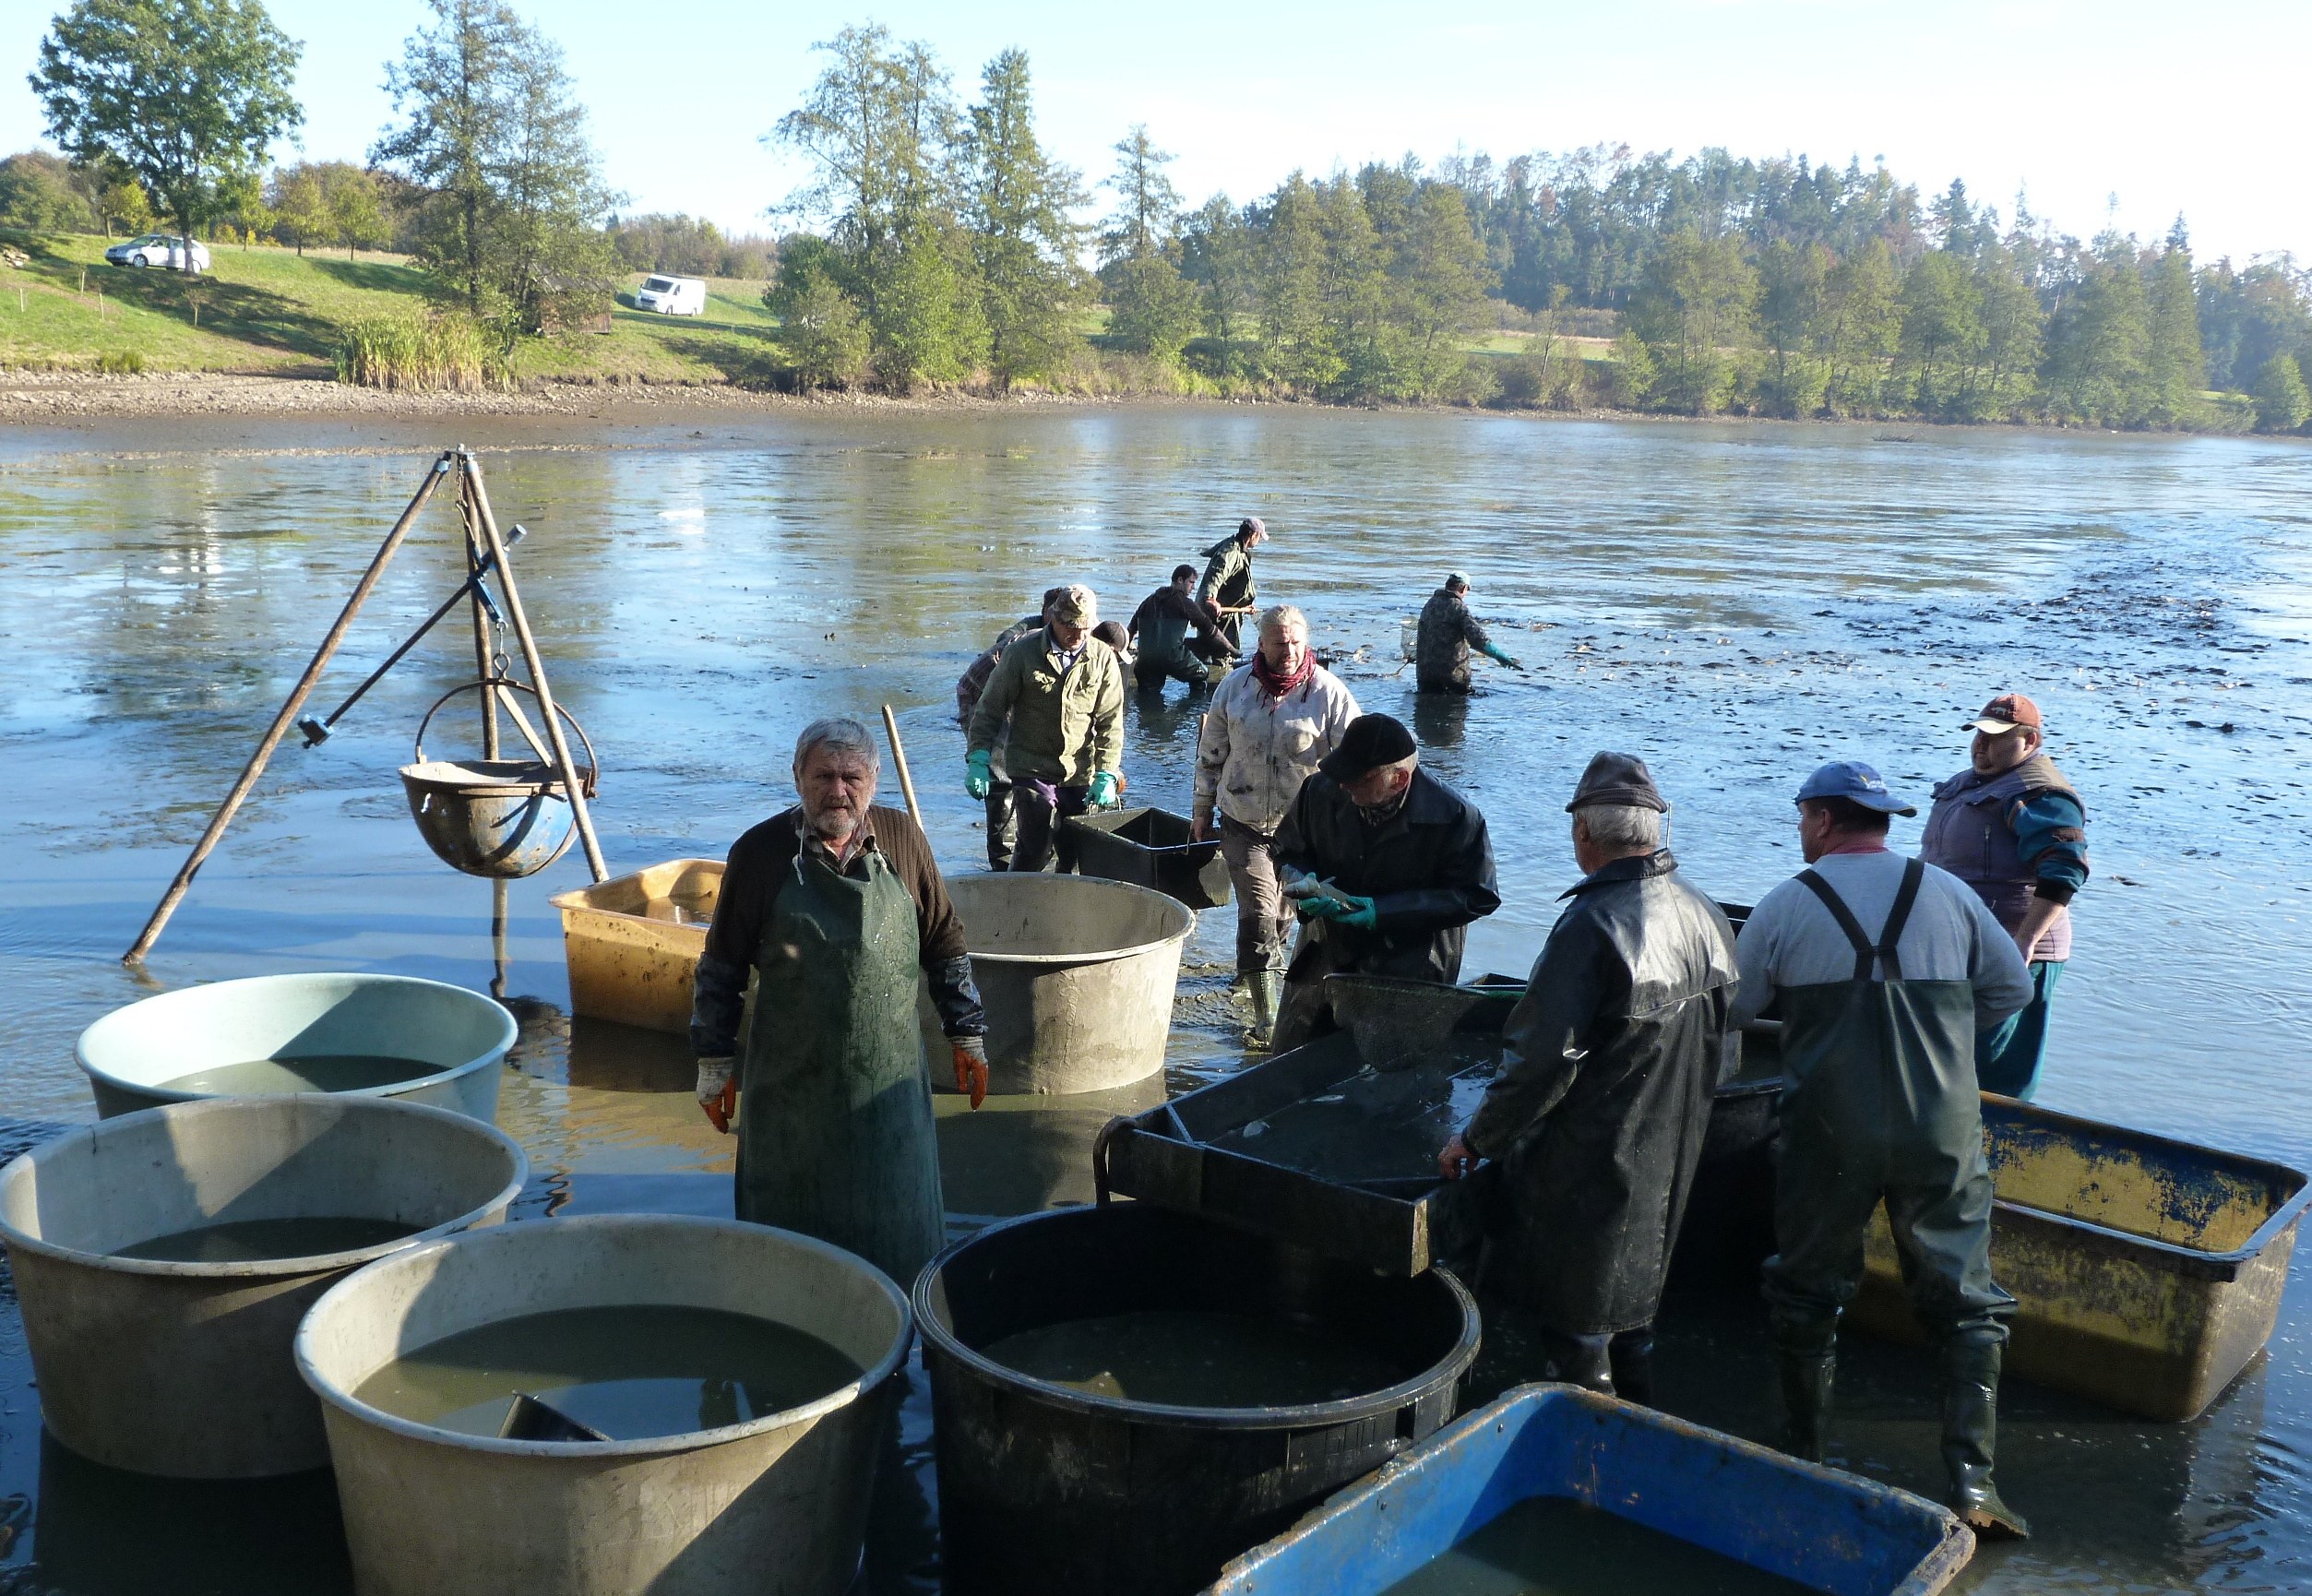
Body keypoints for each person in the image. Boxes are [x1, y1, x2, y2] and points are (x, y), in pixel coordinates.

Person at [1730, 759, 2034, 1540]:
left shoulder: (1788, 902)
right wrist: (1944, 1035)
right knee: (1967, 1304)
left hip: (1829, 1133)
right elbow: (2014, 991)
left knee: (1807, 1292)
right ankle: (1974, 1487)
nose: (1802, 829)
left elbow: (1733, 1007)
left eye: (1803, 817)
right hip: (1941, 1131)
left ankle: (1804, 1457)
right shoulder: (1951, 894)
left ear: (1823, 821)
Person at [1436, 753, 1737, 1403]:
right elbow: (1726, 1051)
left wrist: (1477, 1139)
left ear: (1583, 833)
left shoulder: (1592, 923)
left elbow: (1541, 1060)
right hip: (1673, 1151)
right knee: (1635, 1319)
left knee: (1580, 1329)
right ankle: (1640, 1430)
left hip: (1595, 1162)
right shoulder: (1706, 913)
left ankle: (1590, 1438)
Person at [690, 718, 990, 1284]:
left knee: (897, 1239)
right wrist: (713, 1062)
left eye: (852, 777)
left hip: (889, 1094)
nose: (838, 791)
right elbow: (721, 966)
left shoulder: (903, 839)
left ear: (874, 779)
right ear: (797, 777)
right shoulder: (759, 854)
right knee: (790, 1256)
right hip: (790, 1092)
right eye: (823, 776)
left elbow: (944, 942)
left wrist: (967, 1034)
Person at [1269, 713, 1500, 1052]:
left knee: (1389, 1067)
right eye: (1340, 772)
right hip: (1324, 953)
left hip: (1409, 968)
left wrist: (1384, 911)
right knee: (1291, 1059)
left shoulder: (1456, 818)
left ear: (1399, 779)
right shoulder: (1320, 789)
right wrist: (1299, 880)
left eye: (1357, 778)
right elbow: (1285, 848)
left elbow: (1479, 896)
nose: (1343, 785)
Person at [1191, 605, 1361, 1046]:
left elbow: (1355, 764)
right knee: (1259, 913)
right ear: (1261, 644)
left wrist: (1353, 821)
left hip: (1302, 831)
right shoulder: (1234, 689)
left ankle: (1253, 974)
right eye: (1279, 643)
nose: (1288, 651)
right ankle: (1267, 1020)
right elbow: (1210, 755)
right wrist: (1201, 809)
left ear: (1306, 643)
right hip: (1242, 819)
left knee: (1286, 914)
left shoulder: (1330, 694)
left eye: (1296, 642)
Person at [1918, 692, 2090, 1100]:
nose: (1981, 745)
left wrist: (2024, 942)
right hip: (1963, 945)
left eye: (1996, 737)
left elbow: (2064, 871)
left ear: (2030, 741)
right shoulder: (1971, 782)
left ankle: (2001, 1137)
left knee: (1994, 1075)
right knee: (1946, 1066)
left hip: (2015, 951)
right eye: (1979, 734)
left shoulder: (2040, 794)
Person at [965, 584, 1125, 875]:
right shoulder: (1021, 653)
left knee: (1076, 852)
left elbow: (1111, 721)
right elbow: (989, 709)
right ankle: (1017, 895)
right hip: (1032, 766)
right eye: (1071, 627)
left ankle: (1067, 900)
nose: (1078, 635)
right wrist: (978, 758)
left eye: (1085, 629)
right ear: (1054, 618)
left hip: (1080, 770)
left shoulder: (1102, 657)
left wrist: (1107, 772)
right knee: (1036, 848)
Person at [956, 591, 1061, 871]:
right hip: (978, 696)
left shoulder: (1084, 651)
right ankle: (1002, 864)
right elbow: (993, 705)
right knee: (1000, 778)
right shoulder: (1026, 645)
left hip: (1014, 699)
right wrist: (979, 758)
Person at [1129, 564, 1228, 695]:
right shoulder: (1184, 603)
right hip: (1173, 659)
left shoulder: (1148, 601)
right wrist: (1231, 649)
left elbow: (1131, 629)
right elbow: (1209, 629)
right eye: (1191, 582)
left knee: (1148, 692)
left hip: (1145, 662)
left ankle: (1146, 705)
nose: (1193, 587)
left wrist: (1125, 648)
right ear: (1180, 580)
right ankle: (1194, 704)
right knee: (1202, 673)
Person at [1415, 572, 1519, 693]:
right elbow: (1478, 639)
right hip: (1452, 675)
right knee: (1458, 704)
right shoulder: (1458, 607)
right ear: (1464, 588)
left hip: (1425, 674)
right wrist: (1500, 656)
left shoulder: (1430, 604)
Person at [1196, 517, 1269, 657]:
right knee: (1220, 652)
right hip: (1219, 612)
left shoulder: (1236, 546)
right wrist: (1210, 598)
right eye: (1259, 537)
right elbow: (1217, 573)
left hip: (1231, 608)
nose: (1259, 540)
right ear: (1253, 535)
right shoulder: (1231, 552)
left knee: (1220, 650)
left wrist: (1246, 604)